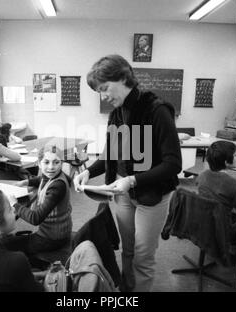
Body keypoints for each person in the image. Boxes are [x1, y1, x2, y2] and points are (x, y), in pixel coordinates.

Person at [74, 54, 182, 292]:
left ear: (123, 77)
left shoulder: (157, 110)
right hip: (123, 192)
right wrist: (87, 173)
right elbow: (109, 156)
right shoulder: (117, 112)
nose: (104, 96)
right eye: (99, 92)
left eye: (105, 89)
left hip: (151, 196)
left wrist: (133, 180)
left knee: (143, 258)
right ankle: (126, 292)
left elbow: (173, 164)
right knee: (128, 250)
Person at [4, 145, 72, 268]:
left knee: (7, 244)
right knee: (12, 240)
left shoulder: (57, 186)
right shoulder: (56, 176)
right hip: (58, 232)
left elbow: (35, 219)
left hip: (52, 238)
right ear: (39, 164)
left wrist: (14, 204)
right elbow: (42, 178)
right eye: (46, 162)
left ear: (61, 163)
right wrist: (27, 182)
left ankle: (42, 266)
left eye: (56, 162)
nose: (51, 167)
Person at [196, 141, 236, 265]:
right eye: (235, 155)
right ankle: (232, 252)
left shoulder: (202, 175)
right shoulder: (234, 184)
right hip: (221, 223)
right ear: (226, 162)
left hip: (200, 218)